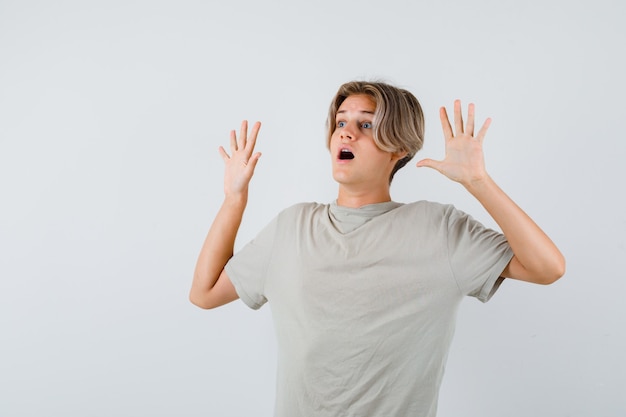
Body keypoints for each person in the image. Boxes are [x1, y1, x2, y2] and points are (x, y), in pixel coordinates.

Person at [189, 81, 565, 417]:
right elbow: (204, 293)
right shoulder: (291, 228)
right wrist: (234, 199)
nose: (346, 134)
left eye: (365, 124)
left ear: (399, 148)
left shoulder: (440, 231)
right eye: (340, 122)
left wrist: (478, 182)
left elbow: (547, 267)